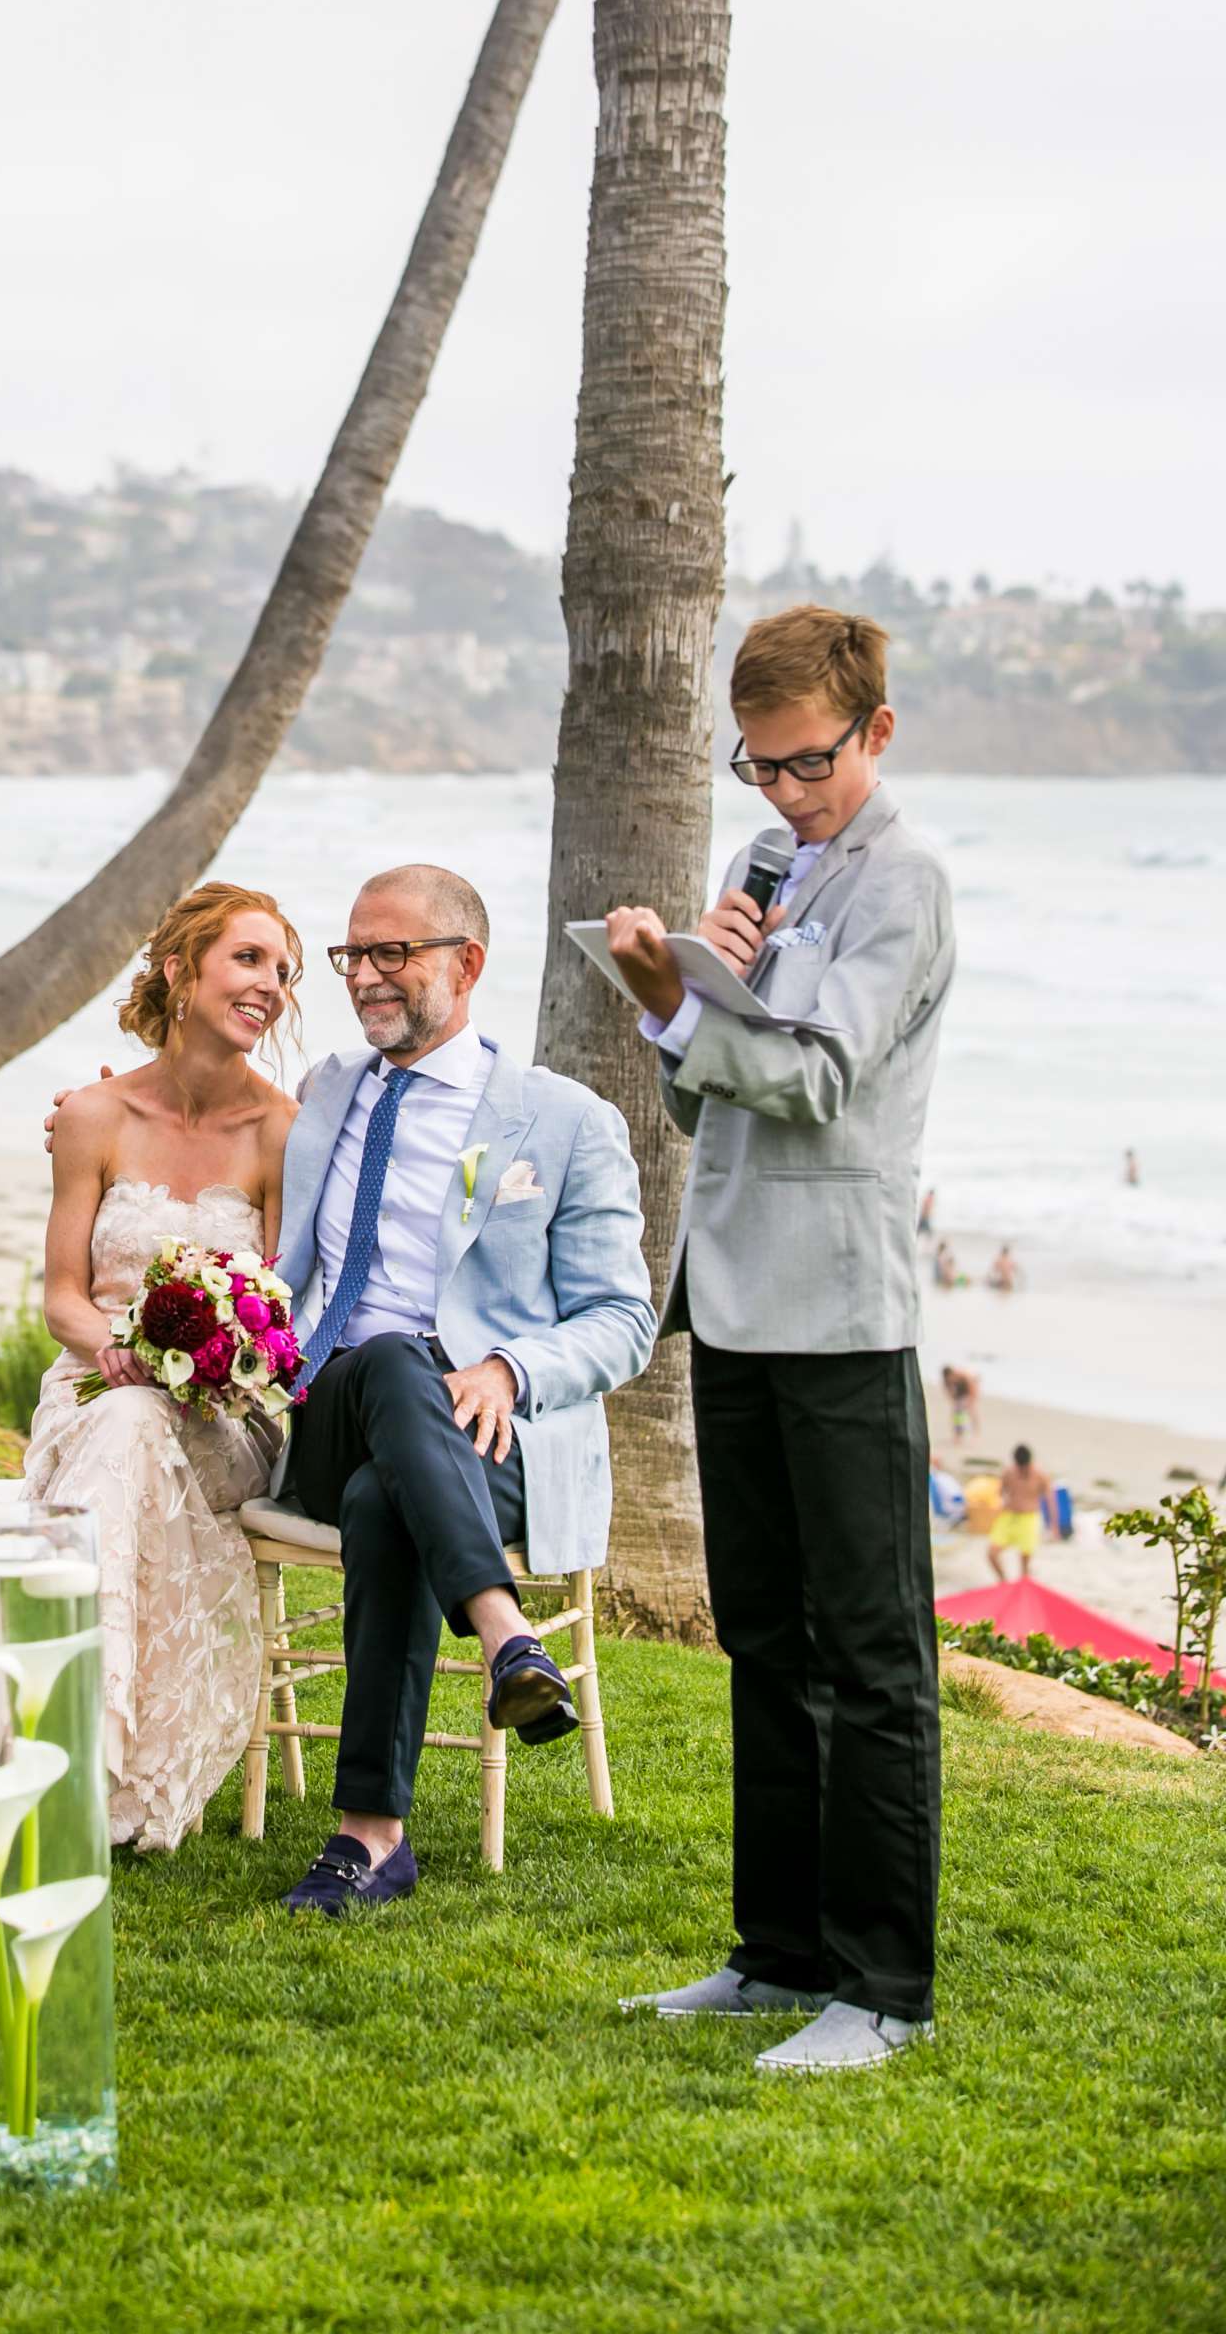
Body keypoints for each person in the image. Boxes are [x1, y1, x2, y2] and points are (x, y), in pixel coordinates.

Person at [46, 865, 657, 1910]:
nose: (366, 977)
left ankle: (368, 1837)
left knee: (390, 1498)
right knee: (383, 1357)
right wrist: (86, 1114)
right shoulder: (326, 1091)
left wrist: (512, 1367)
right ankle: (504, 1629)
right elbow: (193, 1117)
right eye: (353, 957)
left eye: (393, 954)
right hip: (327, 1415)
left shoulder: (562, 1124)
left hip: (485, 1438)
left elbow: (625, 1320)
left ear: (466, 964)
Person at [605, 604, 954, 2074]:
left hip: (843, 1307)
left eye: (806, 764)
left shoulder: (905, 880)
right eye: (758, 768)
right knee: (764, 1639)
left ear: (872, 730)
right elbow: (698, 1105)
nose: (785, 794)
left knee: (872, 1658)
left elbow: (815, 1079)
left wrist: (678, 1002)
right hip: (734, 1294)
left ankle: (882, 1993)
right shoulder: (763, 863)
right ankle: (777, 1954)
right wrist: (683, 1004)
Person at [27, 883, 299, 1852]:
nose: (269, 985)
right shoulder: (94, 1114)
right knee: (126, 1422)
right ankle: (102, 1767)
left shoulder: (283, 1130)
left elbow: (288, 1314)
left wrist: (220, 1364)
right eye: (248, 959)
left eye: (281, 970)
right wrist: (110, 1350)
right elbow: (62, 1292)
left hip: (228, 1420)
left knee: (143, 1428)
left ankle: (68, 1752)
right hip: (97, 1389)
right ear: (182, 969)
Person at [988, 1446, 1050, 1581]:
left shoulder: (1040, 1475)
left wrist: (1054, 1526)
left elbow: (1050, 1500)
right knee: (992, 1554)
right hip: (1008, 1517)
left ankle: (1021, 1589)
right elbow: (999, 1493)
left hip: (1029, 1518)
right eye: (1019, 1467)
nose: (1022, 1470)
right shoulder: (1008, 1472)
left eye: (1025, 1467)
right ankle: (1004, 1582)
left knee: (1024, 1564)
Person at [941, 1363, 981, 1443]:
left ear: (953, 1373)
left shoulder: (963, 1376)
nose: (950, 1379)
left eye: (950, 1378)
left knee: (972, 1412)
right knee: (956, 1413)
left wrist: (971, 1401)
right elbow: (948, 1392)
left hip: (970, 1387)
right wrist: (954, 1401)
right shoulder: (946, 1380)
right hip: (959, 1393)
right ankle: (958, 1435)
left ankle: (976, 1434)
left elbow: (973, 1390)